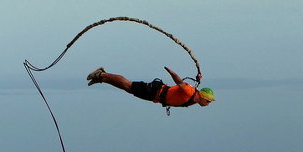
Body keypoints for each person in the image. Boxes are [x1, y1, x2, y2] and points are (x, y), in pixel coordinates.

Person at [87, 66, 215, 109]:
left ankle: (102, 79)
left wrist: (198, 78)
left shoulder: (194, 98)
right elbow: (179, 81)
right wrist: (171, 72)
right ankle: (102, 73)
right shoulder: (189, 91)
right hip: (154, 90)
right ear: (203, 97)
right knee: (128, 85)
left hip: (155, 95)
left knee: (128, 89)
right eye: (208, 101)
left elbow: (195, 87)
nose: (208, 104)